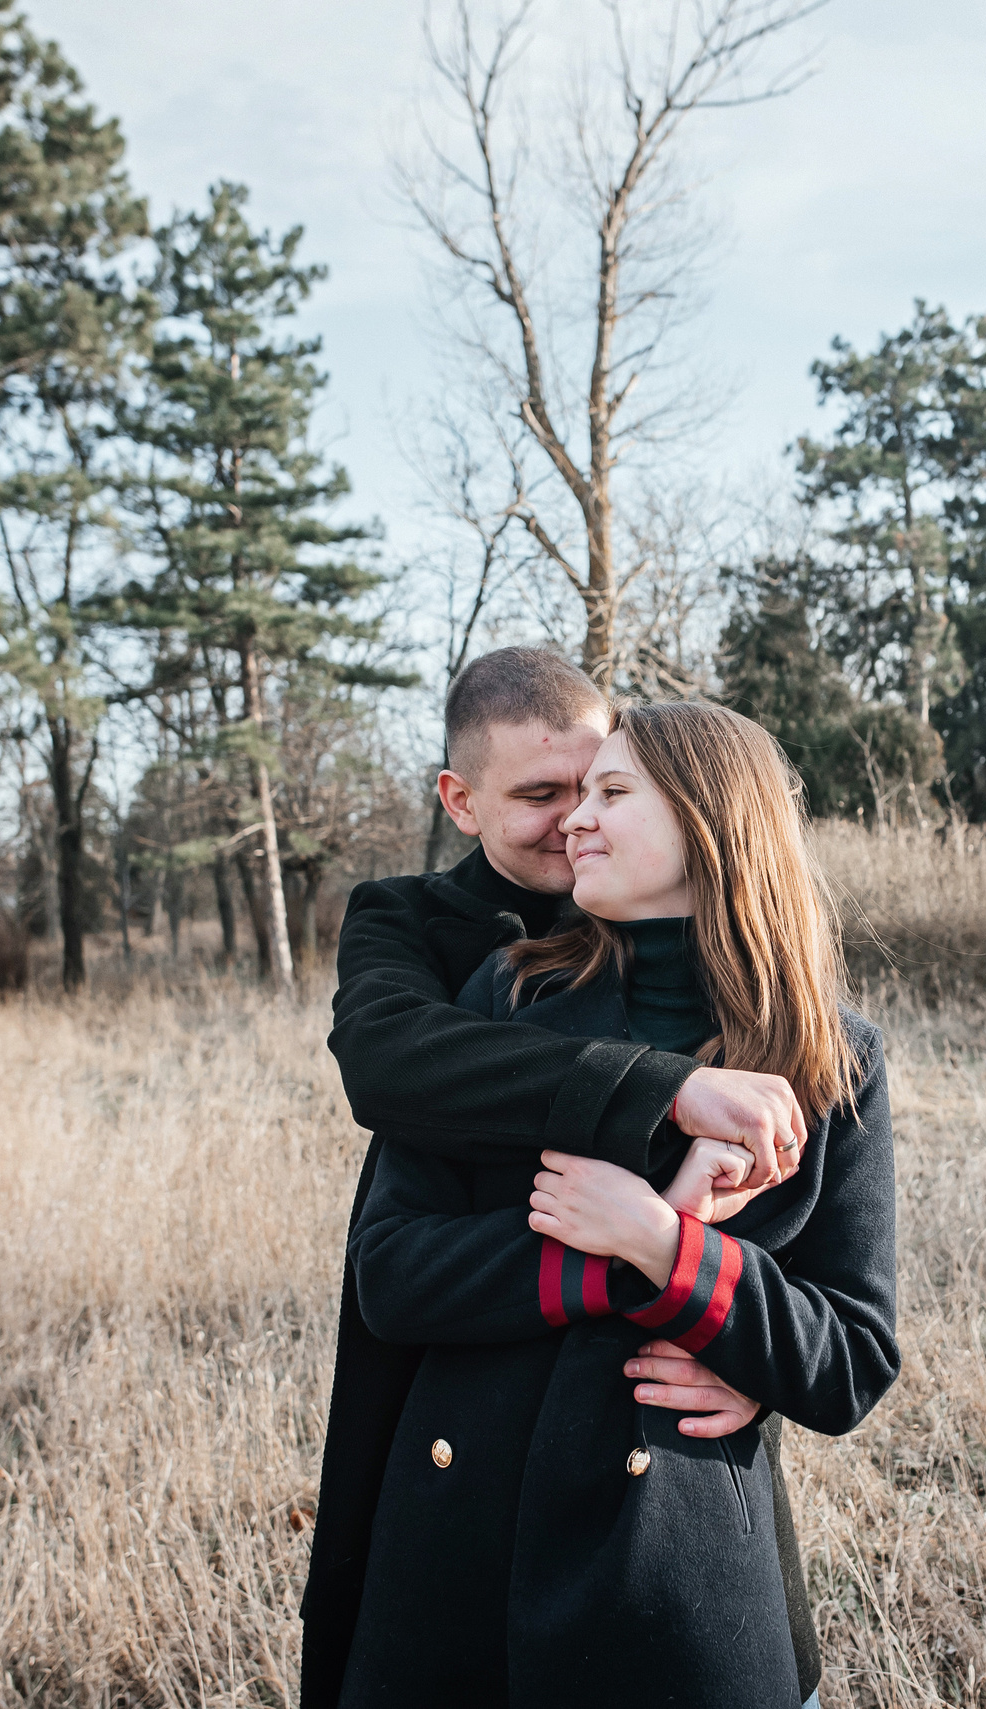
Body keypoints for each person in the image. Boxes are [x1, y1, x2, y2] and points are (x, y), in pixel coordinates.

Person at [331, 700, 899, 1707]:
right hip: (466, 1554)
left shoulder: (831, 1056)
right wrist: (600, 1256)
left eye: (611, 790)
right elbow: (394, 1270)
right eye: (566, 792)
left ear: (711, 821)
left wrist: (660, 1243)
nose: (573, 822)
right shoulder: (504, 1001)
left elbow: (850, 1354)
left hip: (677, 1582)